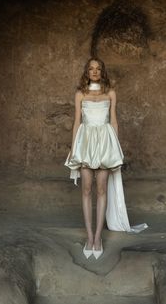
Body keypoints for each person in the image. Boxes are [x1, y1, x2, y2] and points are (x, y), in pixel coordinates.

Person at [65, 57, 148, 260]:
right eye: (91, 69)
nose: (94, 72)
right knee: (86, 188)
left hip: (104, 144)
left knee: (101, 188)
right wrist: (73, 148)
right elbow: (77, 122)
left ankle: (98, 238)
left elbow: (114, 121)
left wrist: (115, 148)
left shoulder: (110, 93)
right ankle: (89, 236)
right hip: (85, 144)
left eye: (98, 69)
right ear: (87, 71)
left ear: (102, 72)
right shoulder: (80, 94)